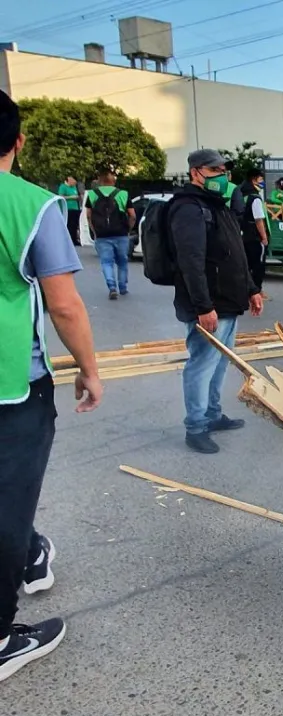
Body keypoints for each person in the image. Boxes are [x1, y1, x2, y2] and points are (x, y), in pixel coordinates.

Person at [0, 90, 102, 682]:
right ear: (18, 140)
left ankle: (31, 550)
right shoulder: (33, 206)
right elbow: (64, 307)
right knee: (8, 503)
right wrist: (89, 369)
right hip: (12, 386)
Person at [170, 149, 263, 454]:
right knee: (202, 364)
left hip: (228, 300)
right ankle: (195, 426)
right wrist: (202, 306)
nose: (223, 176)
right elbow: (191, 261)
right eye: (215, 171)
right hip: (209, 304)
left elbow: (235, 252)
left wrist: (251, 288)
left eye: (224, 170)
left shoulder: (218, 206)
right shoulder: (188, 208)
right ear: (196, 172)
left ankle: (212, 414)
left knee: (220, 363)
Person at [86, 169, 136, 300]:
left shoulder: (92, 194)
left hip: (102, 234)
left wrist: (95, 231)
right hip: (121, 233)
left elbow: (88, 215)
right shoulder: (123, 194)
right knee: (122, 262)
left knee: (106, 262)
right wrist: (128, 229)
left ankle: (112, 287)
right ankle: (123, 287)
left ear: (100, 181)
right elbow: (132, 215)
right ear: (113, 181)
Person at [239, 168, 269, 299]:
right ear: (254, 180)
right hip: (255, 237)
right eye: (261, 180)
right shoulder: (255, 198)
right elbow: (259, 220)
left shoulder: (243, 196)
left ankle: (245, 290)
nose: (263, 182)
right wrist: (264, 237)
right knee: (258, 266)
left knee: (247, 265)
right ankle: (257, 292)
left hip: (244, 235)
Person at [57, 176, 81, 246]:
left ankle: (74, 240)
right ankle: (68, 241)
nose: (74, 182)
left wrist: (78, 198)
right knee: (69, 225)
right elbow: (61, 196)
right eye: (73, 180)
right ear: (69, 180)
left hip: (76, 208)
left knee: (75, 225)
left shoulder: (74, 187)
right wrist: (71, 197)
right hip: (68, 208)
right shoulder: (63, 187)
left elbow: (77, 195)